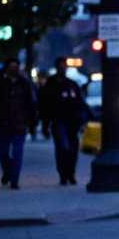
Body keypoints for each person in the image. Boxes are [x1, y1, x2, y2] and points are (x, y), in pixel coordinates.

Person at [38, 57, 90, 185]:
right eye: (60, 65)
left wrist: (82, 121)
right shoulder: (52, 84)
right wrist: (45, 124)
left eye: (64, 65)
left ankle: (70, 173)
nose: (63, 68)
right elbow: (45, 104)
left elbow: (80, 104)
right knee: (62, 148)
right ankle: (63, 174)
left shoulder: (72, 84)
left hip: (72, 121)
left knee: (72, 148)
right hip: (58, 119)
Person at [0, 59, 37, 189]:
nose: (13, 70)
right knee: (3, 152)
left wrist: (32, 124)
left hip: (19, 123)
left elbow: (30, 104)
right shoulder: (0, 85)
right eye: (11, 67)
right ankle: (8, 172)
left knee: (17, 152)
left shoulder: (24, 84)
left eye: (15, 67)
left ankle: (14, 180)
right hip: (4, 123)